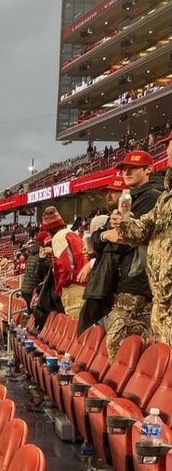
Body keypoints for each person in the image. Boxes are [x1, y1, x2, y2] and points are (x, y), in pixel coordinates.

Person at [90, 150, 162, 358]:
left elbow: (126, 239)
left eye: (133, 168)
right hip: (124, 279)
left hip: (137, 281)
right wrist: (106, 236)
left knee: (120, 343)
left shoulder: (151, 198)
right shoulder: (129, 198)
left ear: (148, 169)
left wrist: (114, 234)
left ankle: (127, 389)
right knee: (124, 342)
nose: (127, 172)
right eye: (124, 169)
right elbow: (99, 240)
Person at [109, 131, 172, 345]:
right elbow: (143, 228)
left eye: (169, 144)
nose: (167, 150)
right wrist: (123, 223)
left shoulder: (154, 196)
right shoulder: (165, 198)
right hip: (160, 293)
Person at [40, 206, 88, 318]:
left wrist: (63, 286)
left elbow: (67, 267)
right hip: (83, 285)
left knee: (76, 329)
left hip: (74, 288)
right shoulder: (71, 233)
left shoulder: (58, 238)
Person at [20, 231, 51, 312]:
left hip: (26, 289)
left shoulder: (32, 254)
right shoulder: (42, 254)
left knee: (32, 314)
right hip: (34, 290)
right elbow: (39, 272)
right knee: (38, 315)